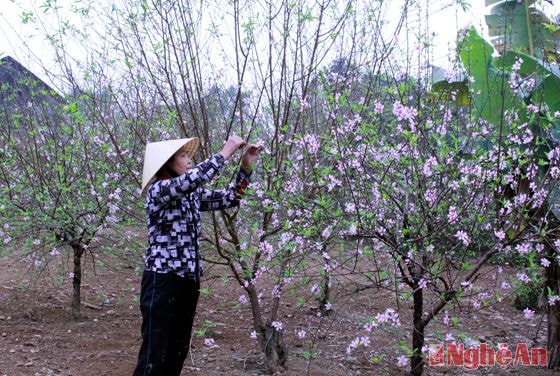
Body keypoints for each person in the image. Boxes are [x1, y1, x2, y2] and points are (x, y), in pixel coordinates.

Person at [133, 135, 262, 376]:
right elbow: (193, 180)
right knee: (155, 353)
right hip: (162, 280)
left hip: (188, 281)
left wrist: (246, 166)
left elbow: (231, 198)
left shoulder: (190, 194)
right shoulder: (160, 190)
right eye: (182, 156)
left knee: (177, 350)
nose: (189, 159)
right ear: (167, 164)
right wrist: (225, 153)